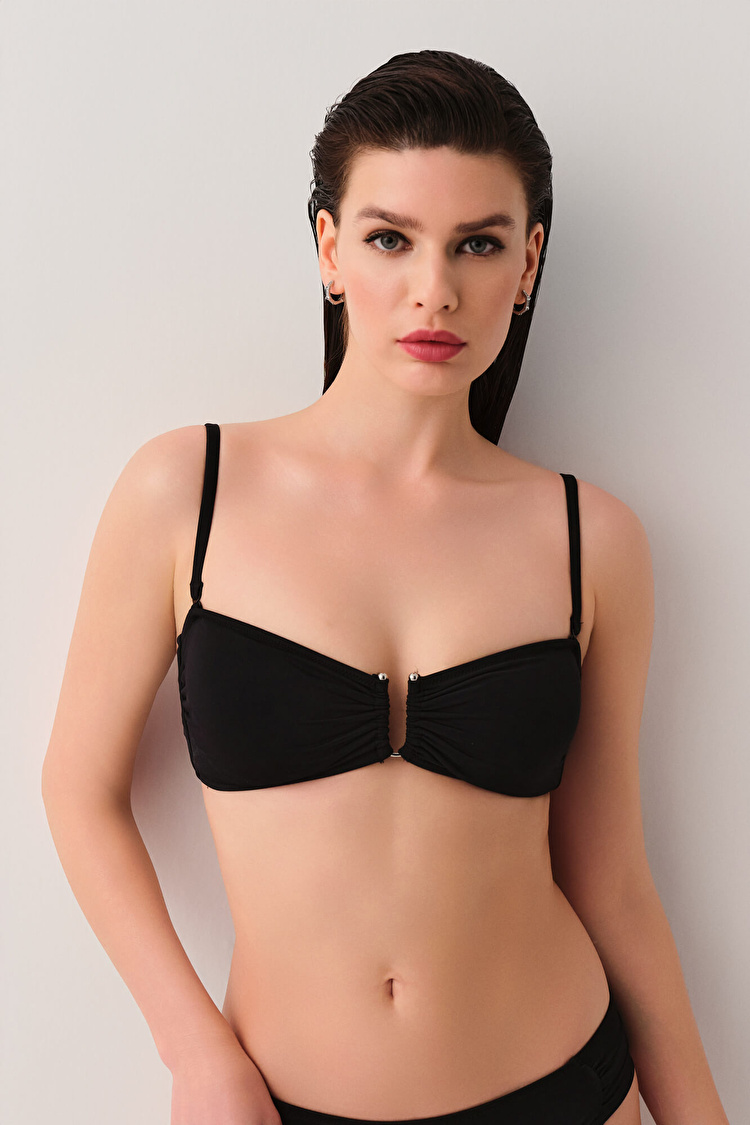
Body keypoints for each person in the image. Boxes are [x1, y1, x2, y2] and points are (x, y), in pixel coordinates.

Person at [41, 49, 729, 1125]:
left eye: (479, 244)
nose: (434, 290)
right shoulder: (188, 491)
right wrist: (197, 1055)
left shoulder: (591, 539)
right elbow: (78, 791)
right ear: (329, 248)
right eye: (390, 238)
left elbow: (612, 876)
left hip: (564, 1089)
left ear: (529, 263)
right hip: (270, 1102)